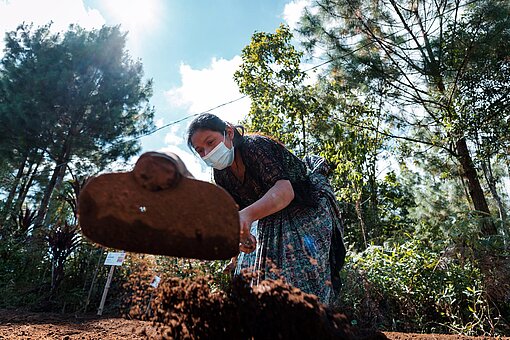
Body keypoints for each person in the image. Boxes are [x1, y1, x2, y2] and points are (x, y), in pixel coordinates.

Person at [187, 113, 346, 304]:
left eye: (211, 142)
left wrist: (246, 215)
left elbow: (284, 192)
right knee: (254, 280)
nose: (207, 153)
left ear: (228, 132)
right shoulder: (222, 175)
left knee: (298, 274)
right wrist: (240, 247)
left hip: (306, 206)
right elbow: (241, 217)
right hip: (271, 215)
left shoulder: (255, 147)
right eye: (200, 151)